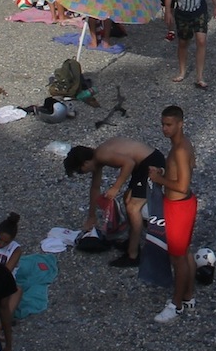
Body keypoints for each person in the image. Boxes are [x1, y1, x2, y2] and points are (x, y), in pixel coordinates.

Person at [64, 137, 166, 265]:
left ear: (84, 163)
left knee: (133, 208)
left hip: (152, 163)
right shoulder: (97, 158)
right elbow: (95, 188)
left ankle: (133, 255)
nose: (82, 173)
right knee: (127, 199)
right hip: (142, 165)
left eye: (80, 171)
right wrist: (91, 216)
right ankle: (131, 242)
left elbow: (129, 163)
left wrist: (115, 187)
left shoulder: (101, 155)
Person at [154, 105, 199, 323]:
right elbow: (190, 167)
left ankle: (176, 304)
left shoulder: (180, 149)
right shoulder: (183, 144)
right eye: (163, 124)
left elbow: (182, 185)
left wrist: (158, 179)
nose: (165, 129)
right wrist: (166, 173)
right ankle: (189, 296)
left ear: (180, 123)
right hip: (184, 204)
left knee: (177, 259)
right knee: (185, 253)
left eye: (169, 125)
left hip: (178, 207)